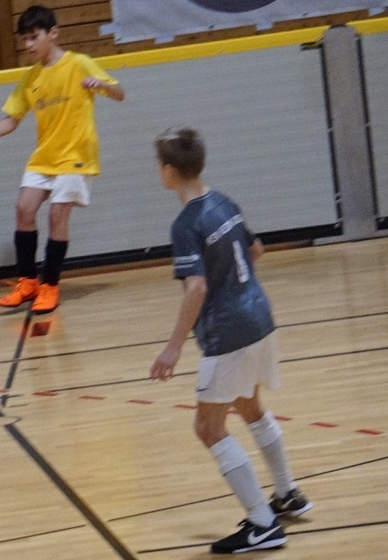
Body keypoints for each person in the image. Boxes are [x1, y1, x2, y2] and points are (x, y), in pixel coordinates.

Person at [149, 127, 313, 554]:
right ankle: (287, 493)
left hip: (229, 333)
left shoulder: (186, 224)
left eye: (158, 166)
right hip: (259, 317)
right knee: (250, 407)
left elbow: (196, 288)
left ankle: (262, 524)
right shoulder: (224, 202)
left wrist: (173, 347)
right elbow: (256, 250)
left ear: (169, 171)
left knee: (208, 427)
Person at [0, 4, 124, 313]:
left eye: (34, 37)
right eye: (25, 40)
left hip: (75, 155)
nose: (29, 45)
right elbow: (12, 119)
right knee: (24, 208)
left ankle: (50, 286)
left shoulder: (79, 63)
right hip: (45, 156)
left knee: (57, 216)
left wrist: (101, 84)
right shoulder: (31, 77)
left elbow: (119, 93)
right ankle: (27, 282)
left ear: (53, 33)